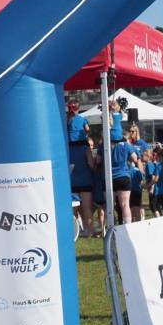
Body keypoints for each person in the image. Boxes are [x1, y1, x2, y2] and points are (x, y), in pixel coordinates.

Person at [67, 99, 96, 237]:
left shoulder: (65, 148)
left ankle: (74, 233)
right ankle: (89, 231)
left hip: (70, 180)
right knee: (86, 207)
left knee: (72, 208)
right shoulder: (86, 148)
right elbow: (91, 164)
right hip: (84, 179)